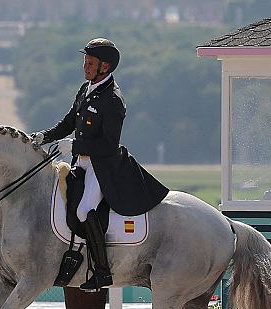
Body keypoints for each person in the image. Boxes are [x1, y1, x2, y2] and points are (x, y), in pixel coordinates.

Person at [31, 38, 169, 291]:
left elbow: (108, 145)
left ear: (104, 67)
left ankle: (102, 271)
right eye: (85, 61)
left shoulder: (113, 100)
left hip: (102, 167)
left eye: (90, 62)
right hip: (80, 164)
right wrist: (45, 136)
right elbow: (68, 122)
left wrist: (74, 147)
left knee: (85, 211)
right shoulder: (86, 89)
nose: (85, 66)